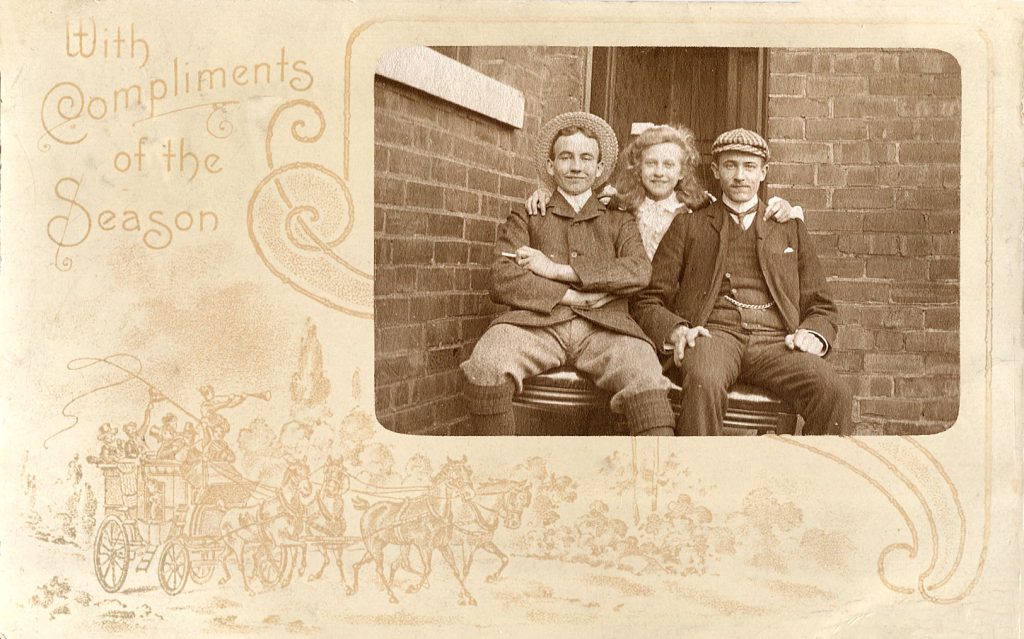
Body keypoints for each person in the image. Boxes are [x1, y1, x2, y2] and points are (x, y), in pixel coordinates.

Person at [461, 111, 675, 437]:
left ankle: (657, 481)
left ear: (600, 169)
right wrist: (569, 295)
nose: (576, 166)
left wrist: (562, 271)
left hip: (607, 328)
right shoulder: (530, 214)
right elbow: (501, 276)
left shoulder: (618, 219)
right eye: (566, 157)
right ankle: (498, 475)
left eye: (586, 158)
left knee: (647, 375)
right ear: (551, 166)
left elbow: (638, 270)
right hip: (536, 324)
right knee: (486, 364)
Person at [632, 128, 852, 436]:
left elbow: (821, 304)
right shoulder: (689, 224)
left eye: (749, 167)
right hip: (714, 335)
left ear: (763, 173)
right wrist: (677, 329)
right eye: (730, 165)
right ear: (715, 171)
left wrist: (813, 334)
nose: (740, 176)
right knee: (702, 379)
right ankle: (696, 479)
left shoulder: (789, 228)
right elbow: (648, 299)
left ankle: (812, 480)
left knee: (834, 392)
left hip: (776, 342)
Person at [524, 123, 805, 259]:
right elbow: (578, 199)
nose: (659, 172)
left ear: (682, 170)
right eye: (651, 164)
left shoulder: (699, 206)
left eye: (669, 164)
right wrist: (546, 193)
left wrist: (787, 208)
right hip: (630, 297)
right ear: (638, 168)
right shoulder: (618, 203)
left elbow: (740, 206)